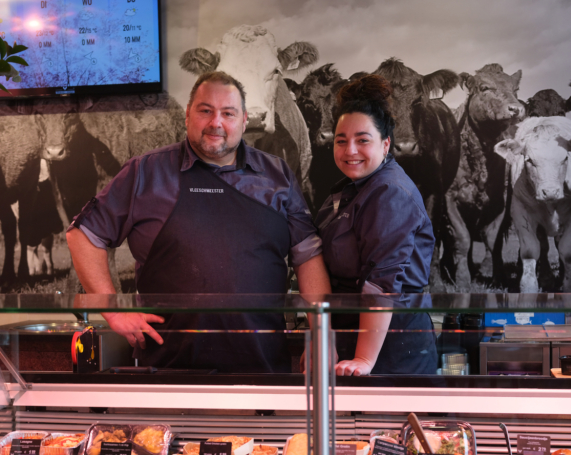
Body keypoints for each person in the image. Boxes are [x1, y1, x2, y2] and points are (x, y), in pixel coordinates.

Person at [67, 71, 330, 373]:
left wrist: (320, 335)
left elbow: (308, 256)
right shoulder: (146, 171)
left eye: (228, 113)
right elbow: (83, 235)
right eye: (205, 111)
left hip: (263, 368)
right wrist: (112, 311)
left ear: (244, 120)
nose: (216, 123)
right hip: (167, 369)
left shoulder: (276, 174)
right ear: (187, 116)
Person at [315, 74, 438, 376]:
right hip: (353, 341)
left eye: (362, 140)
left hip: (391, 349)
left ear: (385, 145)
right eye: (341, 141)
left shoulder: (389, 191)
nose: (349, 150)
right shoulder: (348, 189)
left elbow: (382, 282)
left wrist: (364, 360)